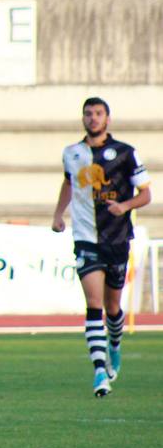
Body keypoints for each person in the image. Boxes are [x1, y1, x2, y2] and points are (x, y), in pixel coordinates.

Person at [52, 97, 152, 398]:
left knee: (113, 308)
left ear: (107, 118)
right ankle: (99, 370)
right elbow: (69, 183)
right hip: (85, 237)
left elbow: (146, 194)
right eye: (88, 114)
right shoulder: (72, 153)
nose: (92, 118)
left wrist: (124, 206)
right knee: (94, 304)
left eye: (98, 114)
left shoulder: (124, 153)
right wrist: (58, 215)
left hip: (117, 239)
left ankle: (115, 345)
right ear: (83, 118)